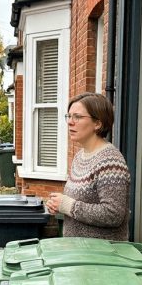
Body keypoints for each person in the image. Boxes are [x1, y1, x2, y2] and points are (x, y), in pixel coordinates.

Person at [45, 93, 130, 240]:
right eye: (69, 116)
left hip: (101, 256)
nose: (70, 122)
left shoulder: (110, 162)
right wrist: (58, 204)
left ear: (98, 123)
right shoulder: (80, 156)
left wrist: (67, 205)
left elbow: (113, 214)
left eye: (77, 117)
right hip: (78, 252)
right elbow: (78, 202)